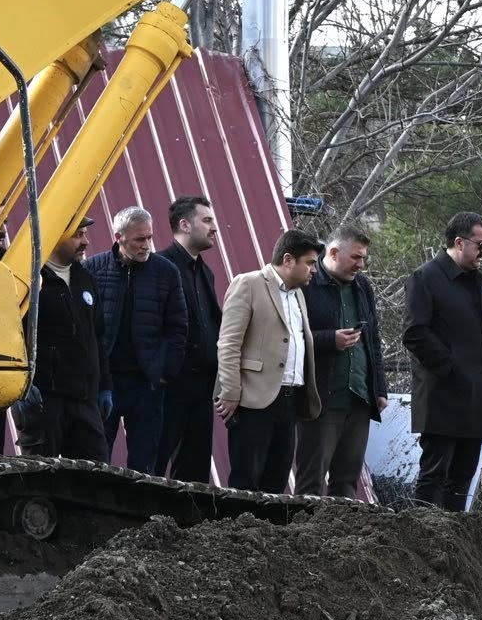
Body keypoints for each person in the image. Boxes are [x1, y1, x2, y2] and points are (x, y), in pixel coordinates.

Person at [403, 211, 482, 511]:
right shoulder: (425, 277)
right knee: (434, 475)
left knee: (462, 479)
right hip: (443, 396)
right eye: (480, 245)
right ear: (459, 242)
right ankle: (423, 538)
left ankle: (454, 545)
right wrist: (451, 367)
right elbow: (415, 332)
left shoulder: (477, 282)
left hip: (476, 398)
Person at [215, 229, 323, 492]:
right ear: (288, 260)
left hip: (289, 399)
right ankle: (235, 532)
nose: (314, 270)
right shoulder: (248, 284)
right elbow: (229, 343)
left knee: (276, 482)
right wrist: (230, 392)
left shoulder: (298, 294)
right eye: (309, 263)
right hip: (253, 400)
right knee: (245, 481)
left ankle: (265, 534)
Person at [85, 206, 188, 475]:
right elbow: (84, 328)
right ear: (119, 237)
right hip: (104, 384)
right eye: (139, 239)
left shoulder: (165, 273)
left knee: (145, 466)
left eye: (149, 238)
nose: (146, 245)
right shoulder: (93, 270)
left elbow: (178, 327)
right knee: (97, 460)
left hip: (147, 384)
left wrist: (164, 371)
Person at [294, 224, 389, 498]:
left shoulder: (363, 287)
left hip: (359, 399)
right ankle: (304, 535)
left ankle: (342, 540)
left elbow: (373, 339)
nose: (361, 264)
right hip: (322, 399)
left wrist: (379, 388)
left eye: (363, 257)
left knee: (347, 481)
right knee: (311, 479)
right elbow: (290, 336)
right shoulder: (308, 283)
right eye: (356, 257)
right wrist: (329, 340)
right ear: (334, 252)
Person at [15, 217, 112, 462]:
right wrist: (21, 385)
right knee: (39, 475)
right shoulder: (28, 281)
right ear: (56, 236)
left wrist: (105, 386)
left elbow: (98, 336)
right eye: (77, 235)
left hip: (85, 399)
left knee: (96, 475)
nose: (85, 241)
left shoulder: (85, 279)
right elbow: (11, 336)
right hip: (44, 400)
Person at [160, 195, 224, 482]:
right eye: (207, 220)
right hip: (169, 387)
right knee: (156, 462)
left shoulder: (206, 272)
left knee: (196, 468)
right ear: (185, 225)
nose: (215, 228)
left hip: (201, 386)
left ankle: (189, 527)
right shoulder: (159, 267)